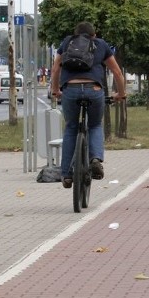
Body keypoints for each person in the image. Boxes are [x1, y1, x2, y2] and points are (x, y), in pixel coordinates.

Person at [50, 21, 126, 189]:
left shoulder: (67, 42)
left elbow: (56, 69)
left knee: (71, 127)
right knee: (94, 125)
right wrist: (121, 94)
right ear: (94, 35)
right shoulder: (100, 44)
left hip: (70, 89)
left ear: (75, 34)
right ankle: (95, 159)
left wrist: (55, 90)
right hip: (94, 89)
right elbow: (117, 72)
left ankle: (67, 175)